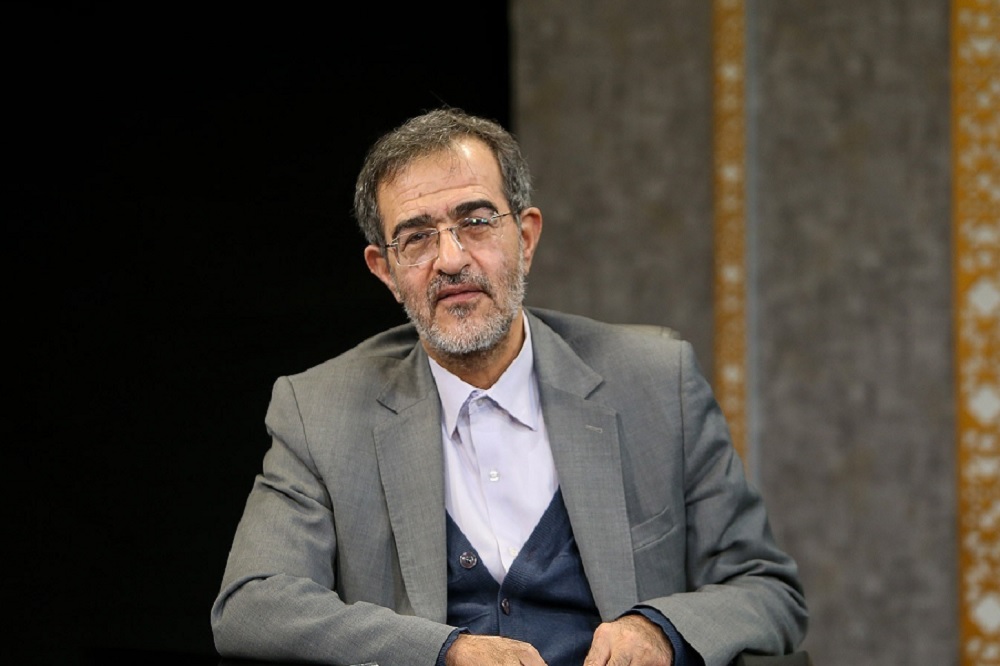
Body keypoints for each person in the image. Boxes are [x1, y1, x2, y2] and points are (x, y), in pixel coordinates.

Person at [210, 107, 808, 666]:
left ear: (525, 238)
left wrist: (659, 629)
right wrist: (444, 652)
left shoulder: (655, 382)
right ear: (385, 271)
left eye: (475, 223)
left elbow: (766, 588)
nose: (450, 259)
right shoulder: (319, 411)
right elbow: (251, 605)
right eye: (416, 237)